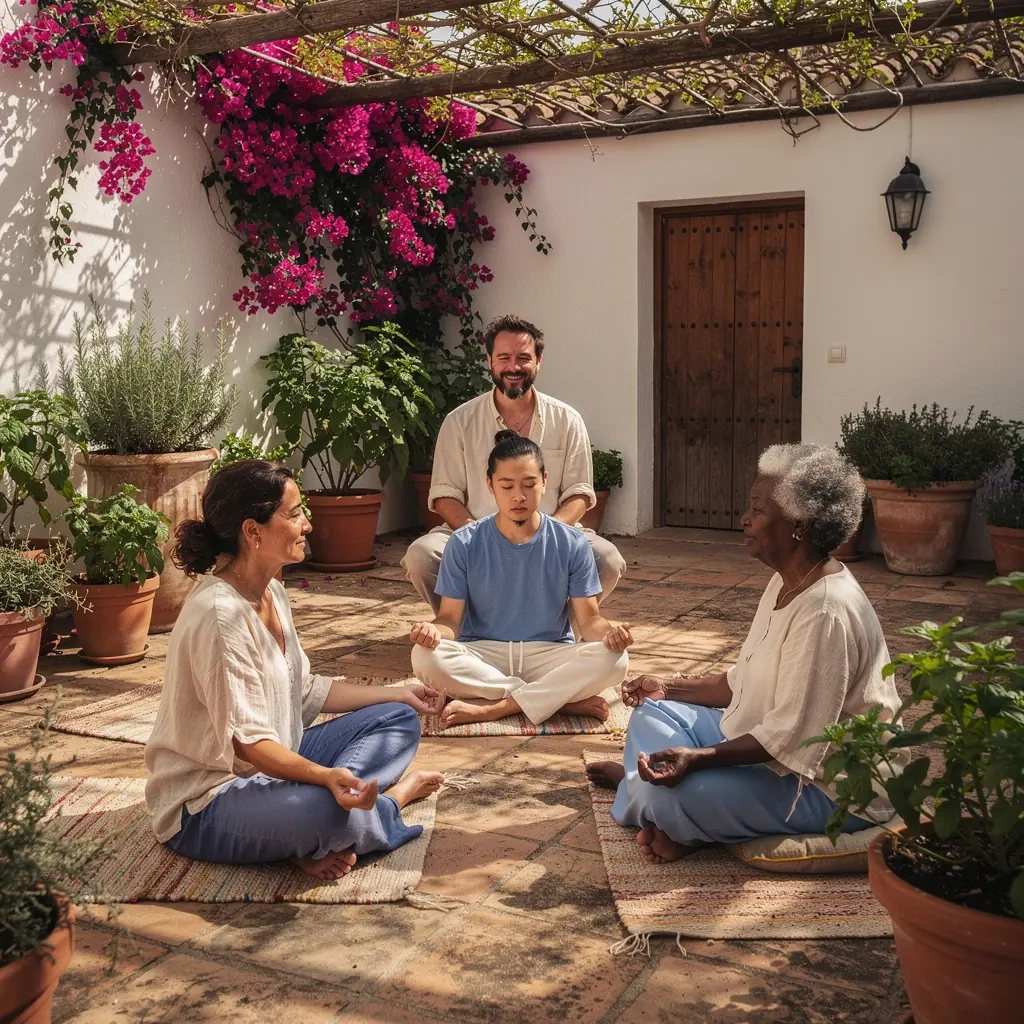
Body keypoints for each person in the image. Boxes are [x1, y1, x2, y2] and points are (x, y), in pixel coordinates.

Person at [587, 444, 905, 864]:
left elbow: (789, 738)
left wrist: (697, 758)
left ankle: (642, 793)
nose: (745, 519)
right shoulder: (787, 580)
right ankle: (649, 795)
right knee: (653, 711)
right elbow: (740, 683)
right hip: (771, 749)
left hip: (828, 787)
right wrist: (667, 686)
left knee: (679, 792)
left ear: (800, 525)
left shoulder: (825, 611)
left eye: (758, 510)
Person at [145, 460, 446, 881]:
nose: (307, 524)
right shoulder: (220, 615)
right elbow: (248, 747)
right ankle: (391, 802)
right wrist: (325, 778)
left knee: (398, 719)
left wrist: (396, 692)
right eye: (294, 514)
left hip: (279, 763)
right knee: (324, 811)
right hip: (208, 802)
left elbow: (302, 691)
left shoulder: (272, 592)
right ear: (253, 532)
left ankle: (312, 826)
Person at [402, 313, 626, 615]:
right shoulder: (459, 422)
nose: (513, 367)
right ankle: (460, 626)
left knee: (607, 559)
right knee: (422, 555)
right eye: (504, 357)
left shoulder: (567, 420)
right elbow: (445, 494)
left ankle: (557, 630)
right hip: (476, 530)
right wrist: (480, 536)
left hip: (550, 531)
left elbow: (580, 493)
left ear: (538, 361)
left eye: (523, 357)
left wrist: (549, 536)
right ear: (490, 361)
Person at [409, 431, 633, 729]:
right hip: (483, 652)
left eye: (529, 485)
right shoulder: (464, 543)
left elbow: (589, 620)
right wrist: (431, 631)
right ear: (490, 485)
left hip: (549, 652)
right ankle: (560, 701)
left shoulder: (571, 542)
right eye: (507, 486)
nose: (519, 496)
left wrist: (611, 634)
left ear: (544, 481)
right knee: (424, 656)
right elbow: (449, 620)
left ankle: (497, 707)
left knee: (617, 659)